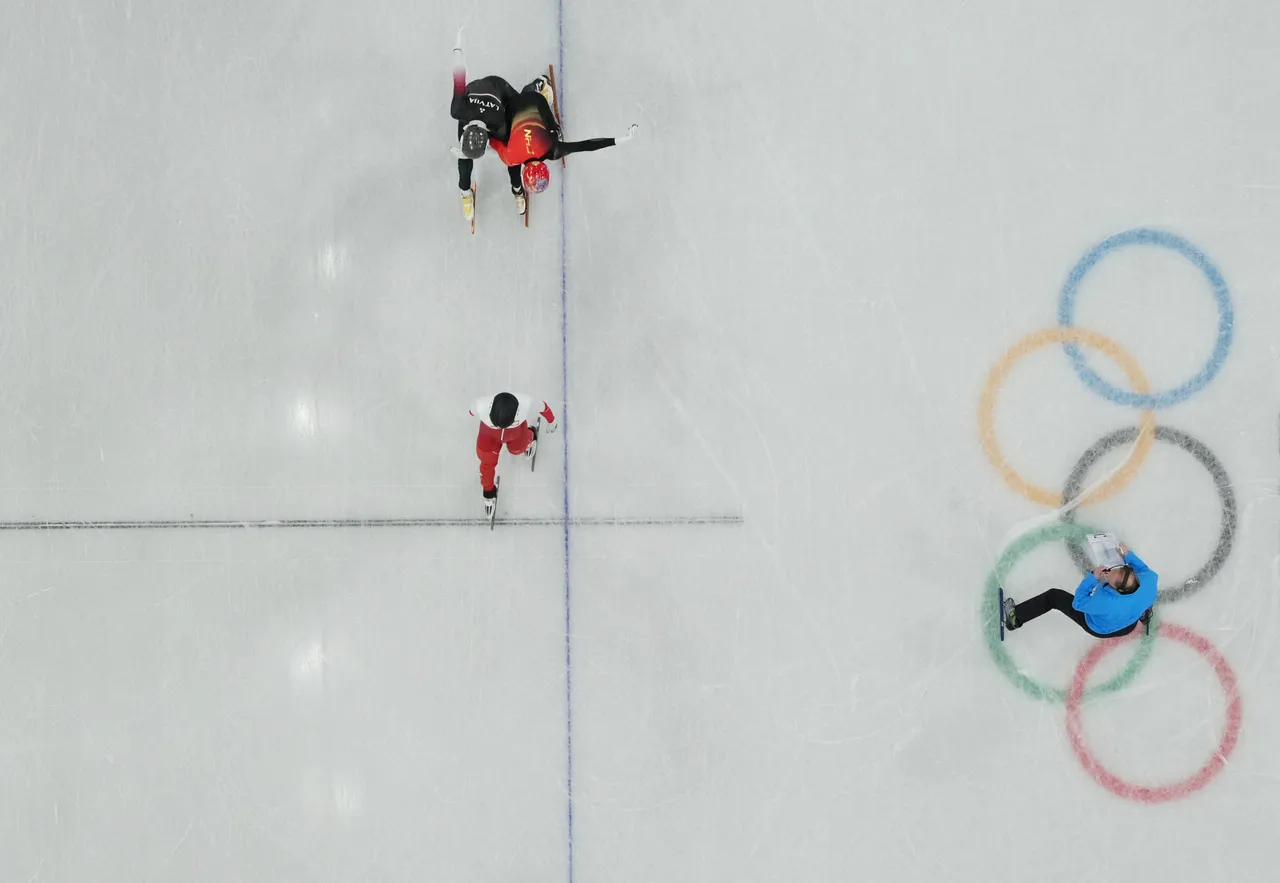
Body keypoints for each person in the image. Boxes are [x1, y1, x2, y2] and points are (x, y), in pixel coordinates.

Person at [490, 77, 639, 215]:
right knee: (513, 155)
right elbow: (492, 139)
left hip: (530, 102)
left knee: (551, 135)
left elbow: (584, 146)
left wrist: (617, 141)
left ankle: (540, 85)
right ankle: (540, 85)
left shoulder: (552, 149)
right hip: (516, 105)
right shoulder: (514, 156)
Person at [1003, 543, 1157, 638]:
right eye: (1117, 569)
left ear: (1117, 590)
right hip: (1128, 626)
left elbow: (1078, 603)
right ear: (1135, 575)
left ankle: (1015, 618)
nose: (1109, 573)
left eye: (1111, 578)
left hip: (1098, 626)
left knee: (1053, 597)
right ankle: (1141, 614)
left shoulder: (1107, 602)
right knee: (1136, 606)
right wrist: (1127, 555)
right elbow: (1142, 568)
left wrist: (1093, 577)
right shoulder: (1149, 581)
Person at [450, 34, 520, 220]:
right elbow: (459, 76)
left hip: (499, 88)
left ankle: (540, 84)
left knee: (522, 107)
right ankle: (464, 192)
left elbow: (510, 155)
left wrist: (458, 47)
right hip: (474, 93)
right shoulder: (459, 110)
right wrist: (457, 49)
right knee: (465, 157)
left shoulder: (500, 124)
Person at [469, 392, 558, 514]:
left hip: (515, 434)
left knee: (517, 449)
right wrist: (551, 421)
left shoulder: (526, 403)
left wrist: (552, 421)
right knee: (486, 463)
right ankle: (488, 491)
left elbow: (544, 408)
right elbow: (471, 411)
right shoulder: (480, 405)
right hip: (489, 436)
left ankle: (531, 436)